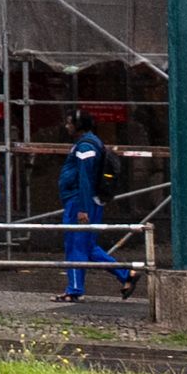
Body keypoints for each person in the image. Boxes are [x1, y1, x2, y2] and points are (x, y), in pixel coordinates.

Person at [59, 120, 129, 301]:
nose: (67, 126)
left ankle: (74, 289)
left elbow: (84, 178)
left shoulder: (85, 146)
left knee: (76, 244)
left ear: (79, 125)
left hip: (80, 201)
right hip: (86, 200)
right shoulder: (92, 143)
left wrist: (82, 208)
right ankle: (126, 274)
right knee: (87, 247)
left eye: (70, 122)